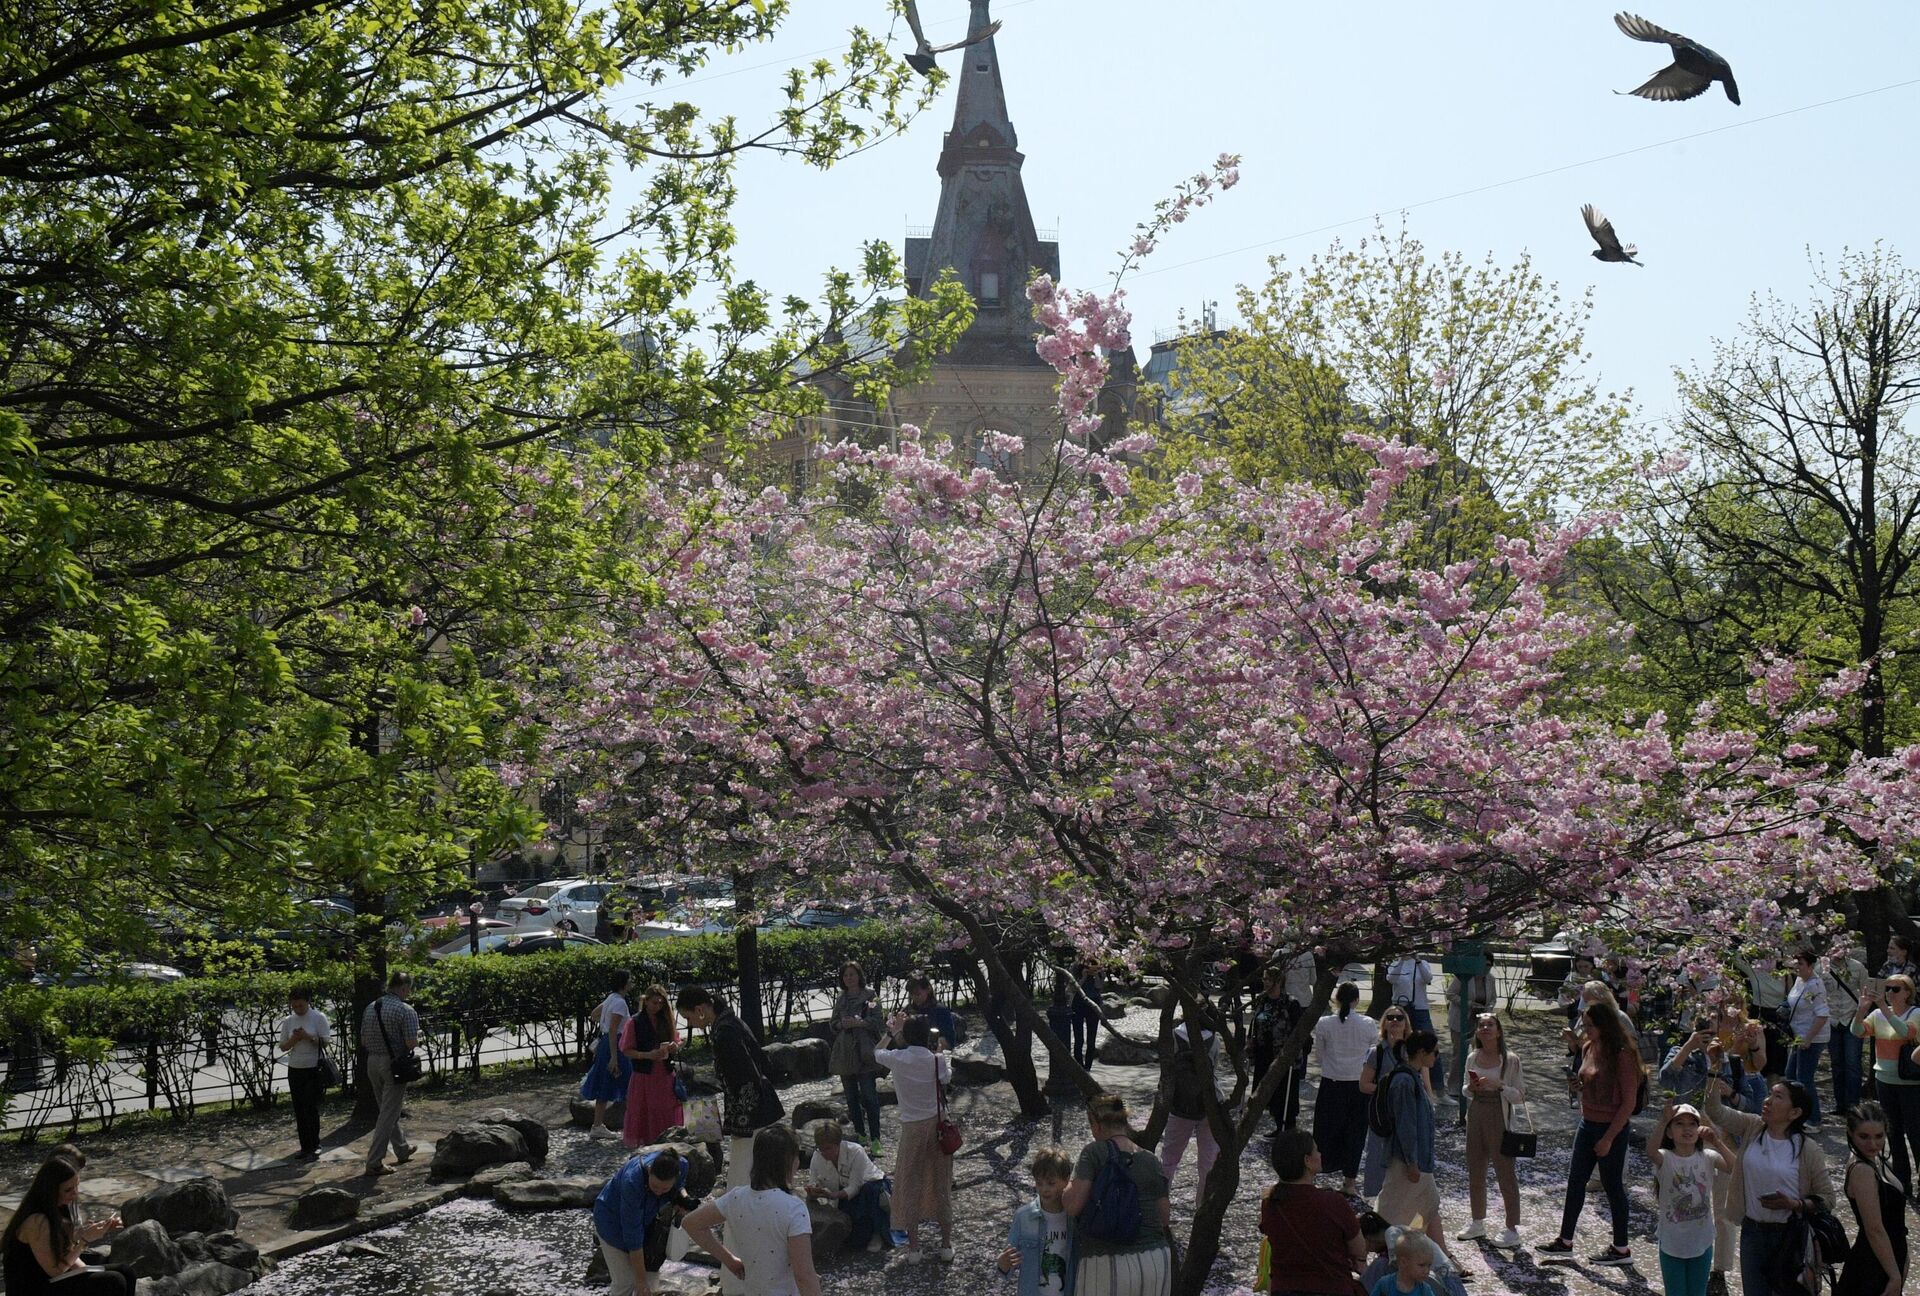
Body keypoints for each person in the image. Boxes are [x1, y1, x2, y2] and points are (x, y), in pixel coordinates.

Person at [679, 987, 783, 1296]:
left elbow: (745, 1081)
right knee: (749, 1186)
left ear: (700, 1009)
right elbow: (760, 1067)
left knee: (738, 1192)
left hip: (749, 1122)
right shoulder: (728, 1022)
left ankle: (737, 1266)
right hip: (759, 1116)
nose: (690, 1023)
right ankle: (738, 1261)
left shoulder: (723, 1032)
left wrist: (738, 1125)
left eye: (688, 1016)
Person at [1702, 1076, 1834, 1296]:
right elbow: (1715, 1111)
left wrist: (1794, 1203)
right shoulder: (1753, 1126)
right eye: (1770, 1093)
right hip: (1752, 1233)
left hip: (1790, 1236)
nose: (1768, 1100)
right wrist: (1714, 1072)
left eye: (1778, 1097)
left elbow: (1827, 1198)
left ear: (1794, 1113)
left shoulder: (1808, 1149)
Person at [1539, 999, 1641, 1266]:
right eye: (1584, 1026)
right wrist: (1577, 1086)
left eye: (1590, 1027)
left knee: (1613, 1186)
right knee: (1575, 1182)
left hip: (1612, 1128)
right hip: (1587, 1123)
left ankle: (1621, 1248)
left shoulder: (1622, 1054)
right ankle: (1565, 1241)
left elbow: (1628, 1102)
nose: (1586, 1031)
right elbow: (1588, 1085)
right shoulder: (1587, 1047)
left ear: (1604, 1026)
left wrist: (1609, 1138)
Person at [682, 1124, 820, 1296]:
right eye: (796, 1156)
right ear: (788, 1161)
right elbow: (804, 1275)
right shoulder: (793, 1208)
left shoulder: (736, 1198)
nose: (798, 1162)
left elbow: (691, 1223)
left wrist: (729, 1260)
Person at [1065, 1093, 1172, 1296]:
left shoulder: (1094, 1152)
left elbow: (1073, 1205)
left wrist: (1066, 1187)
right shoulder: (1150, 1159)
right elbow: (1164, 1218)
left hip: (1107, 1263)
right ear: (1125, 1124)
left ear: (1096, 1125)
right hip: (1156, 1261)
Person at [1364, 1030, 1450, 1262]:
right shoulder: (1404, 1080)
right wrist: (1412, 1162)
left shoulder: (1412, 1076)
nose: (1436, 1057)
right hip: (1407, 1160)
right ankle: (1378, 1248)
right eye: (1435, 1052)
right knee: (1391, 1211)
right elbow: (1406, 1125)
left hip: (1419, 1159)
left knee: (1426, 1204)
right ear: (1421, 1052)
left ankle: (1411, 1246)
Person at [875, 1012, 954, 1263]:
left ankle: (914, 1248)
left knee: (910, 1184)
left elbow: (876, 1053)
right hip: (937, 1124)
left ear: (906, 1036)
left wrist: (891, 1033)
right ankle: (945, 1245)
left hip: (912, 1128)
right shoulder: (936, 1060)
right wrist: (940, 1048)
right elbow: (946, 1078)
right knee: (941, 1182)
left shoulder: (898, 1058)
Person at [1258, 1129, 1365, 1296]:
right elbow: (1359, 1249)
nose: (1321, 1154)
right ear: (1307, 1161)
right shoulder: (1334, 1202)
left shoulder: (1270, 1203)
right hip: (1332, 1287)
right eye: (1317, 1150)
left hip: (1284, 1289)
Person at [1, 1154, 127, 1296]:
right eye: (68, 1190)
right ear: (51, 1190)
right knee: (114, 1281)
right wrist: (84, 1241)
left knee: (124, 1271)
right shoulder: (36, 1221)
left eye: (76, 1186)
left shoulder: (59, 1208)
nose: (75, 1194)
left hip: (53, 1278)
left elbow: (66, 1249)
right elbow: (55, 1270)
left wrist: (90, 1232)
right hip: (33, 1287)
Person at [1647, 1100, 1732, 1296]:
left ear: (1699, 1129)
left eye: (1692, 1124)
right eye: (1679, 1123)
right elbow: (1651, 1152)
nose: (1687, 1128)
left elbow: (1733, 1167)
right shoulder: (1665, 1157)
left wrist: (1718, 1141)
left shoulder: (1708, 1157)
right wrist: (1662, 1122)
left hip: (1701, 1241)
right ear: (1669, 1132)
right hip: (1671, 1243)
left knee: (1698, 1292)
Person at [1456, 1012, 1523, 1249]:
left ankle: (1512, 1228)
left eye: (1490, 1025)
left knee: (1505, 1172)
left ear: (1499, 1031)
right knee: (1476, 1167)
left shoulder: (1510, 1059)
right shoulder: (1473, 1056)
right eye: (1481, 1025)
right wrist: (1471, 1086)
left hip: (1500, 1115)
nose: (1485, 1028)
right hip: (1476, 1112)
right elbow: (1464, 1089)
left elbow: (1519, 1096)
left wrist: (1500, 1086)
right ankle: (1477, 1221)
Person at [592, 1147, 696, 1296]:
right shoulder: (632, 1182)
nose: (659, 1192)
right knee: (625, 1281)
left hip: (647, 1218)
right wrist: (640, 1283)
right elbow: (633, 1238)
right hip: (611, 1221)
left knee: (651, 1275)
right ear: (648, 1170)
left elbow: (679, 1187)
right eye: (655, 1186)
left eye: (665, 1188)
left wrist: (681, 1199)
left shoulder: (681, 1165)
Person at [1852, 974, 1920, 1191]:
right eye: (1887, 988)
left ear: (1908, 992)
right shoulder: (1877, 1014)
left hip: (1910, 1083)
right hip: (1884, 1080)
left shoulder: (1916, 1013)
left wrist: (1882, 1006)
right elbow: (1857, 1031)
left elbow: (1904, 1031)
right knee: (1893, 1132)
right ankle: (1903, 1181)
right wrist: (1862, 1009)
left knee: (1916, 1131)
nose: (1889, 992)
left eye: (1896, 989)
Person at [1313, 983, 1379, 1196]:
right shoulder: (1368, 1023)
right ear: (1356, 1000)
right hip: (1357, 1083)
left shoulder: (1324, 1023)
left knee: (1325, 1130)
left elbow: (1320, 1055)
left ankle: (1316, 1172)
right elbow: (1371, 1054)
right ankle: (1349, 1181)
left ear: (1337, 999)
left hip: (1332, 1081)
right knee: (1355, 1132)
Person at [1835, 1100, 1906, 1296]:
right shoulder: (1862, 1171)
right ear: (1850, 1133)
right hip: (1874, 1264)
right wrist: (1894, 1276)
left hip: (1887, 1258)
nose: (1872, 1144)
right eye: (1864, 1136)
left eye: (1879, 1136)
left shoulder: (1876, 1161)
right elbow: (1874, 1228)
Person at [358, 969, 419, 1177]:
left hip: (372, 1062)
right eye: (408, 990)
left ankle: (401, 1148)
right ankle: (374, 1161)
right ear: (403, 988)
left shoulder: (370, 1007)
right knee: (388, 1113)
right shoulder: (405, 1010)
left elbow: (364, 1041)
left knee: (387, 1109)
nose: (408, 994)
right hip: (393, 1065)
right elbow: (411, 1043)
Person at [997, 1145, 1077, 1296]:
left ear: (1066, 1180)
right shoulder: (1024, 1217)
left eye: (1051, 1183)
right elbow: (1007, 1266)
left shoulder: (1074, 1217)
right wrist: (1003, 1264)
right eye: (1039, 1183)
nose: (1044, 1189)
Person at [1159, 1019, 1226, 1194]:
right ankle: (1203, 1209)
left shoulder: (1173, 1036)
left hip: (1180, 1104)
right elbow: (1215, 1069)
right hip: (1209, 1105)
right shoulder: (1214, 1040)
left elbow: (1166, 1068)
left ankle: (1161, 1204)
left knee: (1168, 1160)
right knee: (1208, 1162)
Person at [806, 1121, 889, 1254]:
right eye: (821, 1149)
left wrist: (833, 1195)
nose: (824, 1153)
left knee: (869, 1190)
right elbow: (813, 1180)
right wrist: (813, 1191)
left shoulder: (855, 1151)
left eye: (829, 1148)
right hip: (841, 1194)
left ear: (838, 1144)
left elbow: (855, 1186)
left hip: (868, 1189)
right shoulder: (817, 1156)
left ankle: (877, 1233)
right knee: (853, 1242)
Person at [829, 962, 885, 1154]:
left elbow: (878, 1021)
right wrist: (841, 1025)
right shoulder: (841, 999)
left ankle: (876, 1137)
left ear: (859, 976)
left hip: (865, 1051)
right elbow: (833, 1023)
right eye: (845, 976)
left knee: (870, 1096)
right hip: (846, 1051)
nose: (849, 979)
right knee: (851, 1097)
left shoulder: (870, 996)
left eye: (852, 975)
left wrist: (860, 1022)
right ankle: (860, 1134)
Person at [621, 983, 682, 1148]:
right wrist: (647, 1055)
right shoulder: (635, 1022)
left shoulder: (665, 1018)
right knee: (645, 1109)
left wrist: (674, 1046)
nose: (658, 1006)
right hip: (644, 1073)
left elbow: (676, 1038)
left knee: (665, 1107)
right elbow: (626, 1049)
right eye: (655, 1002)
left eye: (661, 1003)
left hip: (664, 1071)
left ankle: (667, 1140)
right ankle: (648, 1141)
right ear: (646, 1001)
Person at [277, 984, 332, 1161]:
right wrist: (295, 1038)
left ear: (308, 1002)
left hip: (312, 1066)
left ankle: (315, 1144)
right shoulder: (289, 1020)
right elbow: (283, 1045)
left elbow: (326, 1041)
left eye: (300, 1005)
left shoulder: (318, 1017)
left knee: (311, 1107)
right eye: (294, 1006)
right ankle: (304, 1146)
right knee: (299, 1108)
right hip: (295, 1067)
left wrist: (308, 1037)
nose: (298, 1009)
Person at [1250, 967, 1308, 1131]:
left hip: (1282, 1056)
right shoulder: (1262, 1001)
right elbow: (1255, 1023)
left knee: (1284, 1094)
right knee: (1265, 1092)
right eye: (1264, 979)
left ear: (1278, 981)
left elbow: (1298, 1031)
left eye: (1268, 979)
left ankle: (1288, 1127)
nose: (1265, 982)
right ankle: (1276, 1124)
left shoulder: (1290, 1003)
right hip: (1263, 1052)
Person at [1356, 1215, 1465, 1296]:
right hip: (1447, 1283)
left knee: (1380, 1265)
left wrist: (1361, 1261)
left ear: (1369, 1239)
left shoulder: (1392, 1233)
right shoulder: (1401, 1232)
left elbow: (1396, 1264)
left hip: (1445, 1284)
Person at [584, 971, 636, 1140]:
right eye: (630, 980)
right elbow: (615, 1029)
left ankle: (597, 1125)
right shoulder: (620, 1003)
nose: (632, 982)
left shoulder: (610, 998)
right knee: (629, 1083)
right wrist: (615, 1056)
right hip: (617, 1045)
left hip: (606, 1043)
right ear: (624, 984)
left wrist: (603, 1024)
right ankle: (634, 1124)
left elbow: (594, 1013)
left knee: (604, 1082)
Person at [1783, 949, 1831, 1126]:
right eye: (1796, 964)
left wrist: (1808, 1038)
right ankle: (1797, 1115)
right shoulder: (1799, 980)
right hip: (1798, 1036)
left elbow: (1822, 1015)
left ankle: (1813, 1119)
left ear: (1811, 966)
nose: (1797, 968)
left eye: (1801, 964)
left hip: (1811, 1038)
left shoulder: (1815, 985)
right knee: (1790, 1075)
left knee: (1804, 1079)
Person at [1385, 955, 1443, 1099]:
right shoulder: (1395, 963)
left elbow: (1428, 978)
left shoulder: (1422, 963)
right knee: (1396, 1043)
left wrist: (1417, 961)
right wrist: (1401, 960)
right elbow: (1391, 979)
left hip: (1420, 1008)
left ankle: (1438, 1089)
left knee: (1431, 1044)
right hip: (1400, 1008)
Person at [1825, 946, 1869, 1119]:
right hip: (1832, 1019)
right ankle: (1840, 1104)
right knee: (1836, 1064)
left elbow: (1865, 992)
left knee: (1852, 1064)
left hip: (1852, 1018)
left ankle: (1853, 1105)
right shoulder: (1822, 967)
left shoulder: (1857, 967)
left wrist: (1860, 1016)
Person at [1368, 1232, 1443, 1296]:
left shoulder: (1424, 1290)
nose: (1427, 1271)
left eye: (1429, 1265)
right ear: (1403, 1262)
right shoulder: (1385, 1285)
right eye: (1421, 1265)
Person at [905, 975, 961, 1047]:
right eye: (911, 994)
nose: (914, 997)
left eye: (918, 994)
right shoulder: (909, 1010)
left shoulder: (940, 1010)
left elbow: (950, 1040)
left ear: (928, 990)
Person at [1072, 962, 1103, 1070]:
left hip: (1093, 1004)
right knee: (1079, 1038)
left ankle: (1088, 1067)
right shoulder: (1076, 968)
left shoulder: (1098, 968)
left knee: (1091, 1039)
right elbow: (1074, 988)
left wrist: (1096, 975)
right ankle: (1079, 1065)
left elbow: (1099, 987)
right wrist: (1084, 977)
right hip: (1078, 1004)